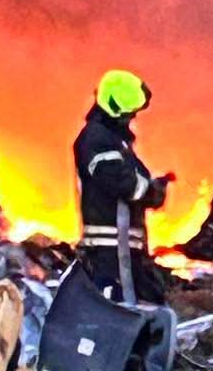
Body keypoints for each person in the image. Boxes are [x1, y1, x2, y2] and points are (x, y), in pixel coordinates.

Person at [73, 70, 172, 302]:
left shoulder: (115, 141)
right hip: (110, 254)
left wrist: (153, 185)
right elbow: (121, 182)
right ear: (115, 109)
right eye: (130, 113)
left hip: (123, 251)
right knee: (116, 312)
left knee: (144, 304)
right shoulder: (97, 139)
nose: (132, 118)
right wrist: (151, 190)